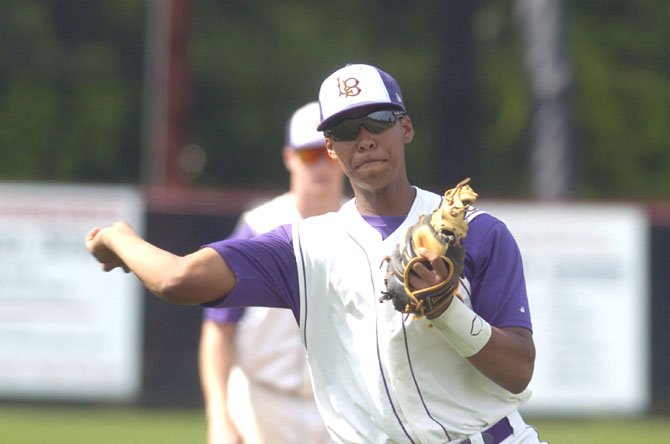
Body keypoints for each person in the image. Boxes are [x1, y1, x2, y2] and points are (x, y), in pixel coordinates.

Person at [86, 63, 546, 444]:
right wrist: (118, 238)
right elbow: (178, 280)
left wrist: (448, 314)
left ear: (405, 127)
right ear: (330, 148)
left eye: (378, 120)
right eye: (346, 129)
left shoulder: (477, 233)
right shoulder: (302, 248)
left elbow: (519, 372)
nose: (364, 138)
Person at [199, 101, 342, 444]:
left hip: (338, 407)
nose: (319, 163)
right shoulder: (258, 226)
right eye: (308, 154)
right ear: (289, 157)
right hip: (260, 400)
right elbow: (219, 328)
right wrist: (219, 415)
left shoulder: (363, 226)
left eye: (327, 152)